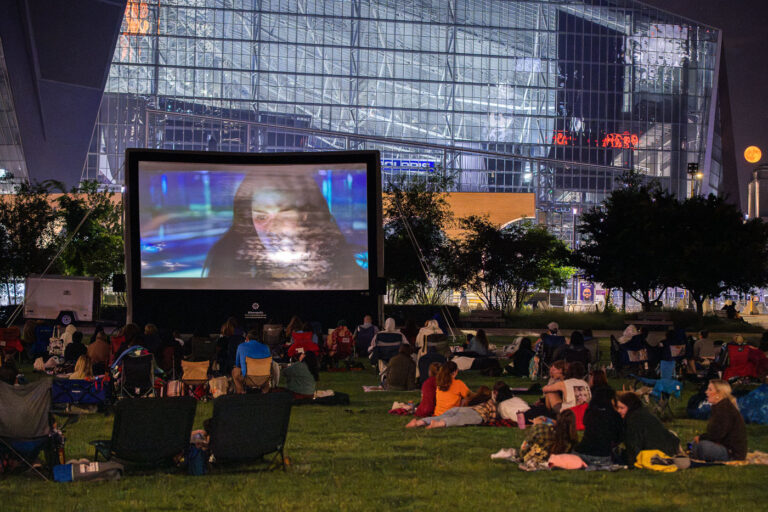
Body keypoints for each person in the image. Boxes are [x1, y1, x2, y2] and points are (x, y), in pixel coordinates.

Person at [201, 171, 366, 289]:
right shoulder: (228, 265)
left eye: (284, 215)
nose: (272, 229)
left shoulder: (347, 275)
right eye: (261, 217)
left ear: (305, 215)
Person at [406, 381, 509, 429]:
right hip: (477, 413)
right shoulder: (495, 405)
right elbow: (493, 417)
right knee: (458, 419)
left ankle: (420, 422)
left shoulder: (486, 400)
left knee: (443, 416)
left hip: (463, 409)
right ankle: (439, 424)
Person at [616, 391, 680, 465]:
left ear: (630, 406)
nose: (619, 411)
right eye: (618, 407)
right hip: (669, 447)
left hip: (659, 453)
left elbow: (634, 444)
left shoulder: (633, 419)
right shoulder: (642, 412)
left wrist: (631, 463)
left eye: (622, 408)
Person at [690, 380, 747, 461]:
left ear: (719, 394)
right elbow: (714, 433)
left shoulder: (725, 409)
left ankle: (696, 453)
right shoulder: (718, 407)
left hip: (731, 453)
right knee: (694, 444)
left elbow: (717, 435)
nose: (706, 392)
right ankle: (694, 452)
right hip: (722, 445)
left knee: (702, 446)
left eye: (710, 390)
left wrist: (701, 438)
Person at [573, 386, 623, 466]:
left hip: (581, 453)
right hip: (602, 456)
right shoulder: (614, 415)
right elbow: (618, 438)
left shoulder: (590, 412)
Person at [232, 329, 272, 394]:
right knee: (268, 371)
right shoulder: (266, 347)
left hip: (248, 379)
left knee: (235, 371)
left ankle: (241, 391)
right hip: (264, 379)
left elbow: (237, 364)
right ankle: (265, 392)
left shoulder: (241, 346)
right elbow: (270, 364)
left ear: (247, 338)